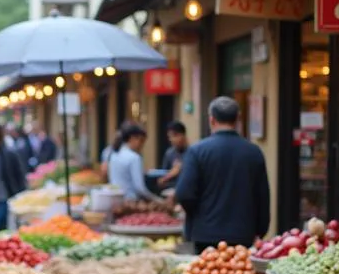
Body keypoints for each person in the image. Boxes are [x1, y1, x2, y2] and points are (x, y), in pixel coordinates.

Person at [173, 96, 270, 251]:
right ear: (238, 119)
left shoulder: (197, 151)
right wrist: (260, 230)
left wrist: (197, 215)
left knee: (206, 273)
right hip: (242, 234)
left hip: (205, 233)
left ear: (211, 120)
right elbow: (262, 197)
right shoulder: (254, 152)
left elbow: (184, 193)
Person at [108, 122, 162, 202]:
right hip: (130, 201)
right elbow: (140, 188)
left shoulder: (114, 155)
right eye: (141, 141)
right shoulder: (134, 158)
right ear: (132, 138)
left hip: (115, 200)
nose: (142, 145)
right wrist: (158, 200)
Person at [158, 121, 188, 191]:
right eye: (169, 137)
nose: (171, 139)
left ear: (183, 135)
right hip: (170, 191)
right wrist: (170, 175)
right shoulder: (169, 153)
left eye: (174, 136)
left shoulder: (193, 152)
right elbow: (162, 180)